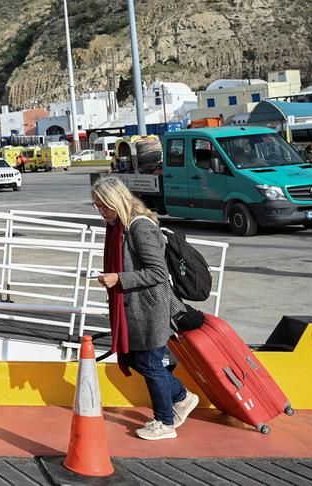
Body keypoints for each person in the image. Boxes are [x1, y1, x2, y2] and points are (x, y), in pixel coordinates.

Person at [91, 176, 197, 441]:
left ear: (116, 200)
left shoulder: (139, 227)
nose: (101, 212)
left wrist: (119, 278)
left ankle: (165, 422)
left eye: (104, 206)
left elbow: (158, 272)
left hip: (151, 308)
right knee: (140, 360)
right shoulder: (120, 225)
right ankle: (182, 398)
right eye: (97, 206)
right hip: (139, 308)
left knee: (149, 363)